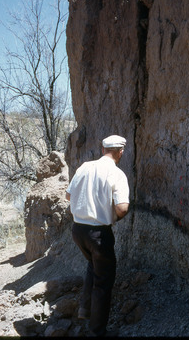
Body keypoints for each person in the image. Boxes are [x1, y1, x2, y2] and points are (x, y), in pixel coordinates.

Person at [65, 135, 130, 337]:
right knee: (103, 282)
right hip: (98, 234)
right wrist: (109, 215)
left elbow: (68, 195)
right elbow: (122, 208)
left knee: (93, 266)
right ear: (120, 152)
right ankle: (97, 331)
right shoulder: (117, 174)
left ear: (103, 150)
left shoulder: (84, 167)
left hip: (78, 230)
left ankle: (85, 309)